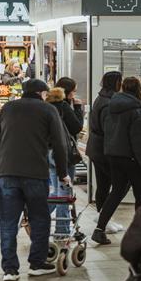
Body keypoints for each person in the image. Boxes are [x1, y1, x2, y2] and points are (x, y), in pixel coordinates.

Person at [0, 78, 69, 281]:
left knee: (8, 223)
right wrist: (63, 173)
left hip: (7, 173)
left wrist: (6, 163)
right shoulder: (48, 110)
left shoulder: (7, 108)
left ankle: (9, 270)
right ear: (41, 93)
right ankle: (37, 264)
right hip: (35, 173)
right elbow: (60, 145)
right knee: (39, 219)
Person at [92, 77, 141, 246]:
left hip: (114, 156)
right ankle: (140, 233)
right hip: (133, 159)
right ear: (139, 89)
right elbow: (140, 141)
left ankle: (99, 229)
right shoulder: (136, 111)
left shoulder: (112, 105)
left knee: (116, 192)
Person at [85, 70, 124, 234]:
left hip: (95, 147)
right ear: (116, 83)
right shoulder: (109, 102)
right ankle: (104, 220)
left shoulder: (100, 97)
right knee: (117, 186)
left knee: (103, 185)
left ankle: (102, 217)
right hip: (104, 149)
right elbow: (108, 128)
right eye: (120, 81)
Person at [45, 80, 84, 236]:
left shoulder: (47, 105)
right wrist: (78, 108)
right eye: (74, 91)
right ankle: (62, 230)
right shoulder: (64, 106)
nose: (75, 94)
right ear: (68, 92)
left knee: (56, 191)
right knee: (64, 194)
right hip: (62, 153)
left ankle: (35, 217)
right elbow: (77, 127)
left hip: (48, 152)